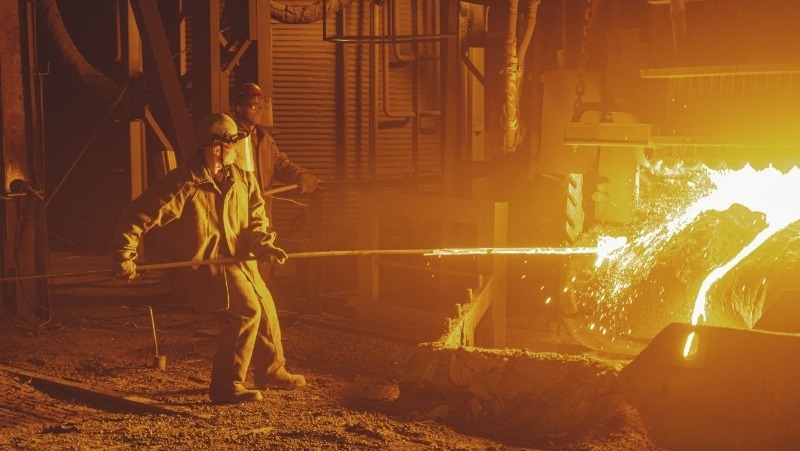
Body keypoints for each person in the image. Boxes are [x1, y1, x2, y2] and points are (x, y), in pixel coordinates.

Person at [109, 113, 306, 404]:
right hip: (210, 264)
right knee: (246, 312)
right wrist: (124, 255)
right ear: (216, 148)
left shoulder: (243, 179)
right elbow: (138, 215)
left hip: (242, 260)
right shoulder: (185, 183)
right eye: (232, 144)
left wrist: (264, 245)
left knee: (266, 307)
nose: (237, 149)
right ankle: (226, 384)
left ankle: (272, 370)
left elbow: (256, 219)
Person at [231, 82, 319, 216]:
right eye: (253, 106)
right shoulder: (231, 138)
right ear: (239, 108)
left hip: (263, 214)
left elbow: (280, 165)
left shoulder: (266, 140)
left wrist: (301, 176)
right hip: (238, 215)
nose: (259, 110)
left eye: (261, 106)